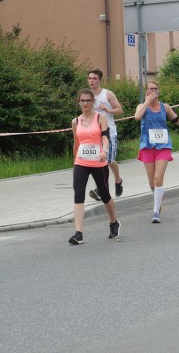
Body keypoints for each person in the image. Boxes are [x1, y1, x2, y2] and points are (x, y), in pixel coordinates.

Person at [68, 89, 120, 245]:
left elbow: (105, 137)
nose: (85, 103)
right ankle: (78, 233)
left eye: (88, 101)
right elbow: (76, 144)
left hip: (98, 161)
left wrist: (104, 151)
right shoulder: (75, 122)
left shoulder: (100, 118)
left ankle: (113, 222)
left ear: (93, 103)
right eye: (82, 101)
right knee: (78, 194)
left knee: (104, 194)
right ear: (79, 102)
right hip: (81, 162)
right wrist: (74, 162)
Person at [134, 81, 179, 223]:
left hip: (163, 146)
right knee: (152, 184)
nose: (153, 91)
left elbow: (176, 120)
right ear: (146, 92)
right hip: (147, 146)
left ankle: (155, 213)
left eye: (155, 89)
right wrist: (147, 101)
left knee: (158, 179)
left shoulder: (165, 107)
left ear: (159, 91)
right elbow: (137, 117)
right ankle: (159, 202)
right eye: (150, 89)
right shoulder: (142, 106)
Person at [85, 69, 124, 202]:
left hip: (109, 133)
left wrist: (108, 110)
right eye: (90, 78)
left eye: (94, 78)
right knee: (98, 161)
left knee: (108, 161)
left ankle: (118, 180)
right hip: (94, 134)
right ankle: (100, 189)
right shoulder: (87, 96)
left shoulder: (107, 94)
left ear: (100, 80)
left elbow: (120, 110)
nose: (91, 81)